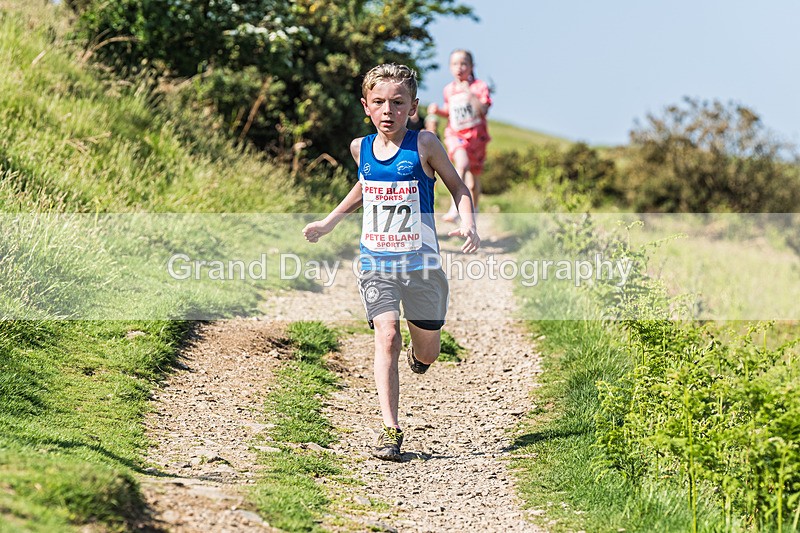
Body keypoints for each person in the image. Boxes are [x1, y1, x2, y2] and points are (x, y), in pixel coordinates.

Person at [302, 63, 480, 462]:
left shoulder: (425, 144)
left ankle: (420, 357)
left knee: (428, 352)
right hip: (376, 262)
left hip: (422, 267)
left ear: (412, 107)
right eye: (379, 102)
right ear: (366, 106)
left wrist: (468, 223)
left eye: (398, 103)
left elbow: (458, 188)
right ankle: (390, 430)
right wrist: (329, 222)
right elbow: (365, 185)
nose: (388, 110)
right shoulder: (359, 148)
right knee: (387, 336)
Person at [427, 49, 492, 222]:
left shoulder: (479, 86)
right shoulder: (448, 89)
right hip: (455, 135)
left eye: (463, 64)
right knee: (461, 165)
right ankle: (455, 208)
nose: (459, 67)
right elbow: (449, 112)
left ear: (471, 66)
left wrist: (470, 94)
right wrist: (437, 111)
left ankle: (474, 211)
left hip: (477, 138)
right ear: (450, 67)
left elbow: (484, 110)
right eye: (455, 64)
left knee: (473, 183)